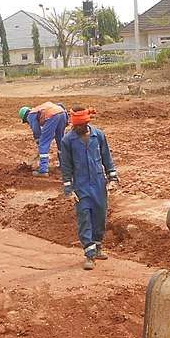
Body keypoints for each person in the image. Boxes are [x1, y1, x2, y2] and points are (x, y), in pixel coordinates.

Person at [60, 107, 119, 270]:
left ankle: (98, 246)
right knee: (84, 218)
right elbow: (66, 166)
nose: (77, 129)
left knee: (99, 216)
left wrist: (112, 176)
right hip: (81, 185)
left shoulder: (98, 135)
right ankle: (89, 254)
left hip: (99, 183)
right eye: (75, 126)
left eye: (81, 126)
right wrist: (68, 188)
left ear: (87, 122)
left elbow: (107, 156)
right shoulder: (67, 141)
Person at [19, 101, 68, 176]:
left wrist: (39, 141)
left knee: (43, 143)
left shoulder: (30, 115)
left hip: (52, 116)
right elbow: (60, 105)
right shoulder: (39, 109)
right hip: (62, 113)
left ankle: (43, 170)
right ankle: (64, 166)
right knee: (60, 141)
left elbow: (36, 129)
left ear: (25, 117)